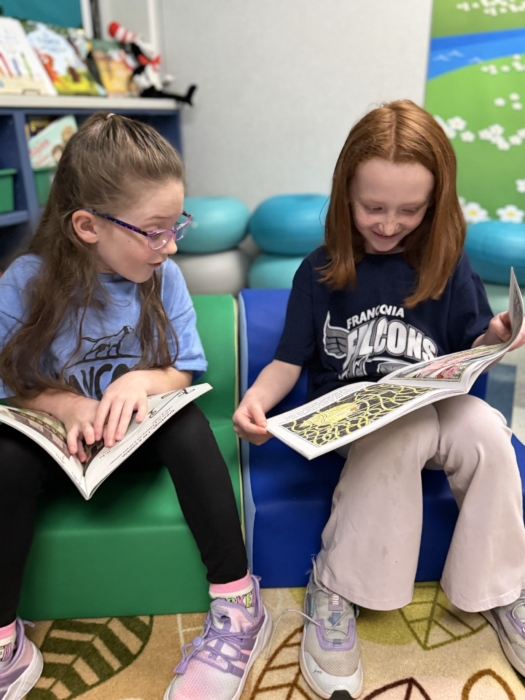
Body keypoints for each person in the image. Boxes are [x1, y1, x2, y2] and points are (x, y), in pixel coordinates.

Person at [233, 99, 525, 698]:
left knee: (488, 428)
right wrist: (255, 400)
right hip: (361, 423)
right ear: (345, 194)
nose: (389, 225)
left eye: (409, 210)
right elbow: (288, 361)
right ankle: (336, 585)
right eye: (373, 207)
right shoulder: (319, 270)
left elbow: (469, 347)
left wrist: (495, 338)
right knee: (404, 429)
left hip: (436, 405)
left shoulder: (449, 264)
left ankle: (504, 588)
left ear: (435, 204)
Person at [0, 113, 271, 700]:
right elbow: (10, 380)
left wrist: (141, 382)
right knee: (5, 456)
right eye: (153, 231)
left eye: (176, 227)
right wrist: (64, 404)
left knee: (188, 423)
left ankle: (238, 603)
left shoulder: (164, 278)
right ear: (87, 225)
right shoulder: (25, 280)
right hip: (62, 452)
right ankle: (3, 641)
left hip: (135, 443)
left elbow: (183, 369)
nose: (169, 246)